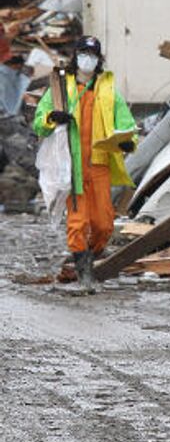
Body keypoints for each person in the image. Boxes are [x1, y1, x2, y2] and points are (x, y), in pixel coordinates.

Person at [33, 36, 137, 292]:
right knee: (78, 222)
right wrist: (51, 117)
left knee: (104, 224)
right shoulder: (60, 88)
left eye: (91, 54)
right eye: (83, 53)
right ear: (75, 55)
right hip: (72, 167)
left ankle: (90, 256)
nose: (87, 58)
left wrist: (128, 142)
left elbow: (126, 124)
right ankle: (84, 273)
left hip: (99, 165)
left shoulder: (108, 90)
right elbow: (39, 121)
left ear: (99, 58)